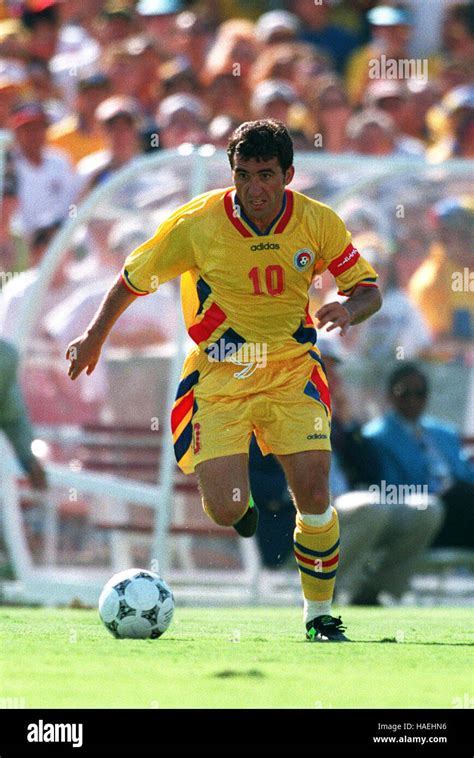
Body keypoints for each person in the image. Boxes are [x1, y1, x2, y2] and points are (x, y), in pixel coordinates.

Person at [66, 119, 382, 642]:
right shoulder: (197, 223)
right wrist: (95, 336)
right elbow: (131, 279)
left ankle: (319, 615)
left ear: (288, 175)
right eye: (243, 175)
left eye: (265, 175)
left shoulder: (319, 222)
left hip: (291, 371)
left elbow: (368, 288)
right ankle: (243, 509)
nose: (253, 188)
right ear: (231, 173)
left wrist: (350, 310)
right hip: (220, 374)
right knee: (226, 506)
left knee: (314, 493)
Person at [363, 363, 474, 550]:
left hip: (462, 506)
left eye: (419, 393)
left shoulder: (441, 433)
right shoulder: (376, 438)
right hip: (425, 514)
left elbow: (465, 472)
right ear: (390, 395)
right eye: (404, 393)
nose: (412, 400)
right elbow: (389, 489)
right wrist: (435, 494)